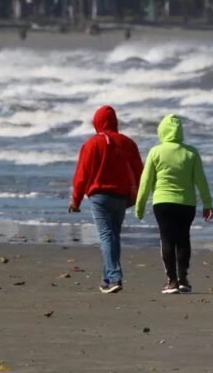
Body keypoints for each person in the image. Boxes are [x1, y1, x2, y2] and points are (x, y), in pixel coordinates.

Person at [135, 114, 213, 295]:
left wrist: (140, 206)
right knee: (183, 239)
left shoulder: (155, 152)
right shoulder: (191, 152)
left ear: (162, 131)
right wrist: (207, 204)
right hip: (187, 203)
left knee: (167, 239)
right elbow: (201, 180)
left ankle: (171, 281)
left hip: (162, 203)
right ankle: (183, 280)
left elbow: (145, 181)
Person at [69, 105, 143, 294]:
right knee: (113, 235)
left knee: (106, 235)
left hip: (100, 196)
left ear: (97, 122)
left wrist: (76, 200)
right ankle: (106, 279)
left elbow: (82, 175)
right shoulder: (127, 143)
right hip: (121, 196)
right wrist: (137, 196)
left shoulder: (91, 144)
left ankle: (114, 277)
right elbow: (139, 171)